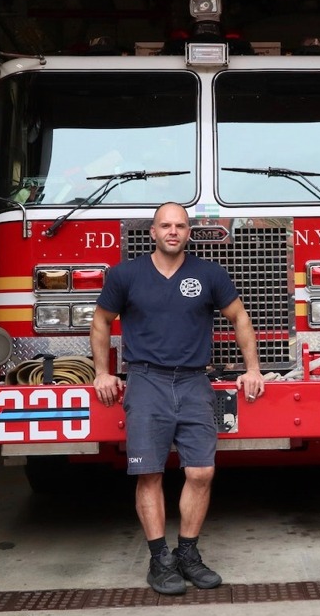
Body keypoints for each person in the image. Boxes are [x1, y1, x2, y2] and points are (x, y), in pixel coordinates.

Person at [91, 202, 265, 595]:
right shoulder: (126, 275)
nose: (173, 231)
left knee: (201, 472)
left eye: (180, 226)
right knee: (149, 472)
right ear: (151, 231)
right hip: (146, 380)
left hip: (193, 382)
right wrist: (102, 371)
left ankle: (187, 554)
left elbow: (240, 317)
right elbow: (101, 320)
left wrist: (252, 368)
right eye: (165, 225)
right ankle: (159, 560)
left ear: (190, 232)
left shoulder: (208, 273)